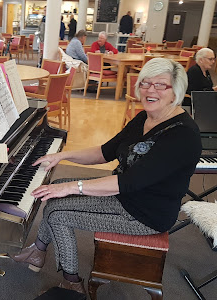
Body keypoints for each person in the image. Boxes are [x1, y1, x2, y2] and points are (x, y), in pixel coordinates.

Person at [12, 58, 202, 295]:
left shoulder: (183, 136)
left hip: (145, 213)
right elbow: (105, 152)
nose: (150, 90)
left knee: (58, 213)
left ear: (176, 90)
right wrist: (63, 157)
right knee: (55, 189)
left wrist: (73, 186)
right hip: (125, 196)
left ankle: (72, 281)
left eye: (160, 85)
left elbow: (129, 182)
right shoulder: (145, 118)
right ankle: (38, 251)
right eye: (145, 83)